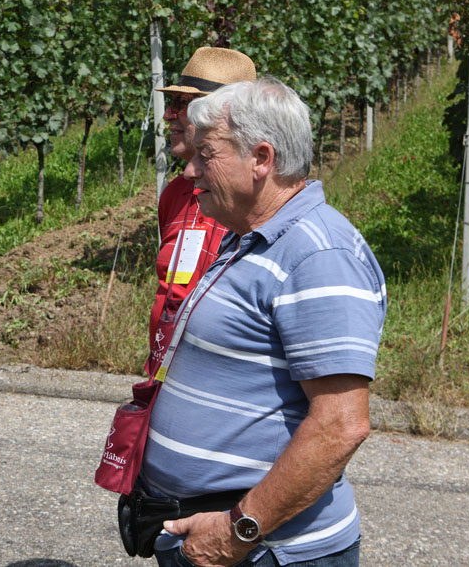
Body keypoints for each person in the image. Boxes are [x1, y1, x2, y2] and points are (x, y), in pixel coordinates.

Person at [136, 77, 386, 567]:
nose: (190, 170)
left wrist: (236, 532)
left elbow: (341, 425)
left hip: (265, 552)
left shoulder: (318, 257)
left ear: (261, 158)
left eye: (206, 155)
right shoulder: (249, 235)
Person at [148, 47, 256, 372]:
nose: (168, 115)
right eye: (172, 102)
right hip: (165, 378)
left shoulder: (254, 201)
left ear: (222, 115)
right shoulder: (174, 195)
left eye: (182, 104)